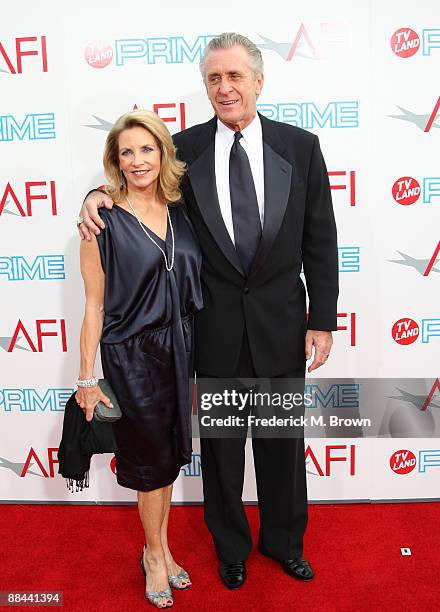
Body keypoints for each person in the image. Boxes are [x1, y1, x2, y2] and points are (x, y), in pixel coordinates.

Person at [78, 33, 338, 589]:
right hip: (211, 328)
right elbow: (136, 184)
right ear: (206, 86)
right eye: (214, 79)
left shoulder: (302, 147)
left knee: (282, 447)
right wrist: (94, 197)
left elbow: (321, 239)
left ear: (259, 81)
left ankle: (285, 542)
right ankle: (232, 547)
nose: (224, 88)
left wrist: (323, 318)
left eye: (235, 77)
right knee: (221, 452)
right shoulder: (183, 151)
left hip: (284, 324)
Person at [76, 109, 203, 607]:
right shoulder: (100, 223)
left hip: (181, 349)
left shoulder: (182, 208)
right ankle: (153, 555)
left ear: (163, 153)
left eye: (147, 149)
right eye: (126, 152)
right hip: (132, 358)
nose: (137, 160)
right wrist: (86, 378)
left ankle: (164, 548)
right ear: (115, 161)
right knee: (150, 465)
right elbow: (92, 304)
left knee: (168, 460)